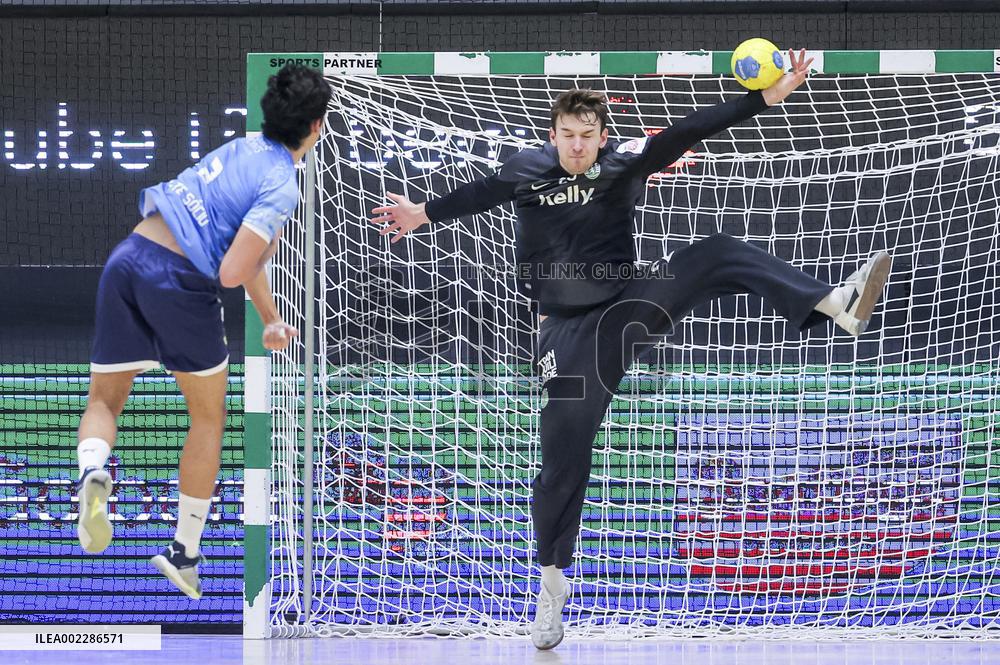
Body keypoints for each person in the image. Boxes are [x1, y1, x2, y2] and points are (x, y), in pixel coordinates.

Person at [370, 49, 891, 649]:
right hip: (564, 336)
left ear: (602, 137)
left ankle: (833, 303)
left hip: (625, 310)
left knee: (714, 253)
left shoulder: (624, 166)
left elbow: (686, 131)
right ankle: (550, 584)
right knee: (563, 450)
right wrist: (423, 212)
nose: (576, 147)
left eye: (586, 137)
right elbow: (480, 193)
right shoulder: (528, 171)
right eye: (567, 135)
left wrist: (762, 100)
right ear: (553, 134)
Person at [75, 63, 331, 600]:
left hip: (129, 256)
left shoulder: (241, 147)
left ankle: (92, 472)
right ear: (316, 127)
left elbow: (241, 250)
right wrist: (259, 268)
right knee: (208, 417)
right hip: (180, 281)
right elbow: (233, 271)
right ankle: (184, 552)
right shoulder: (283, 184)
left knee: (105, 399)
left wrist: (270, 317)